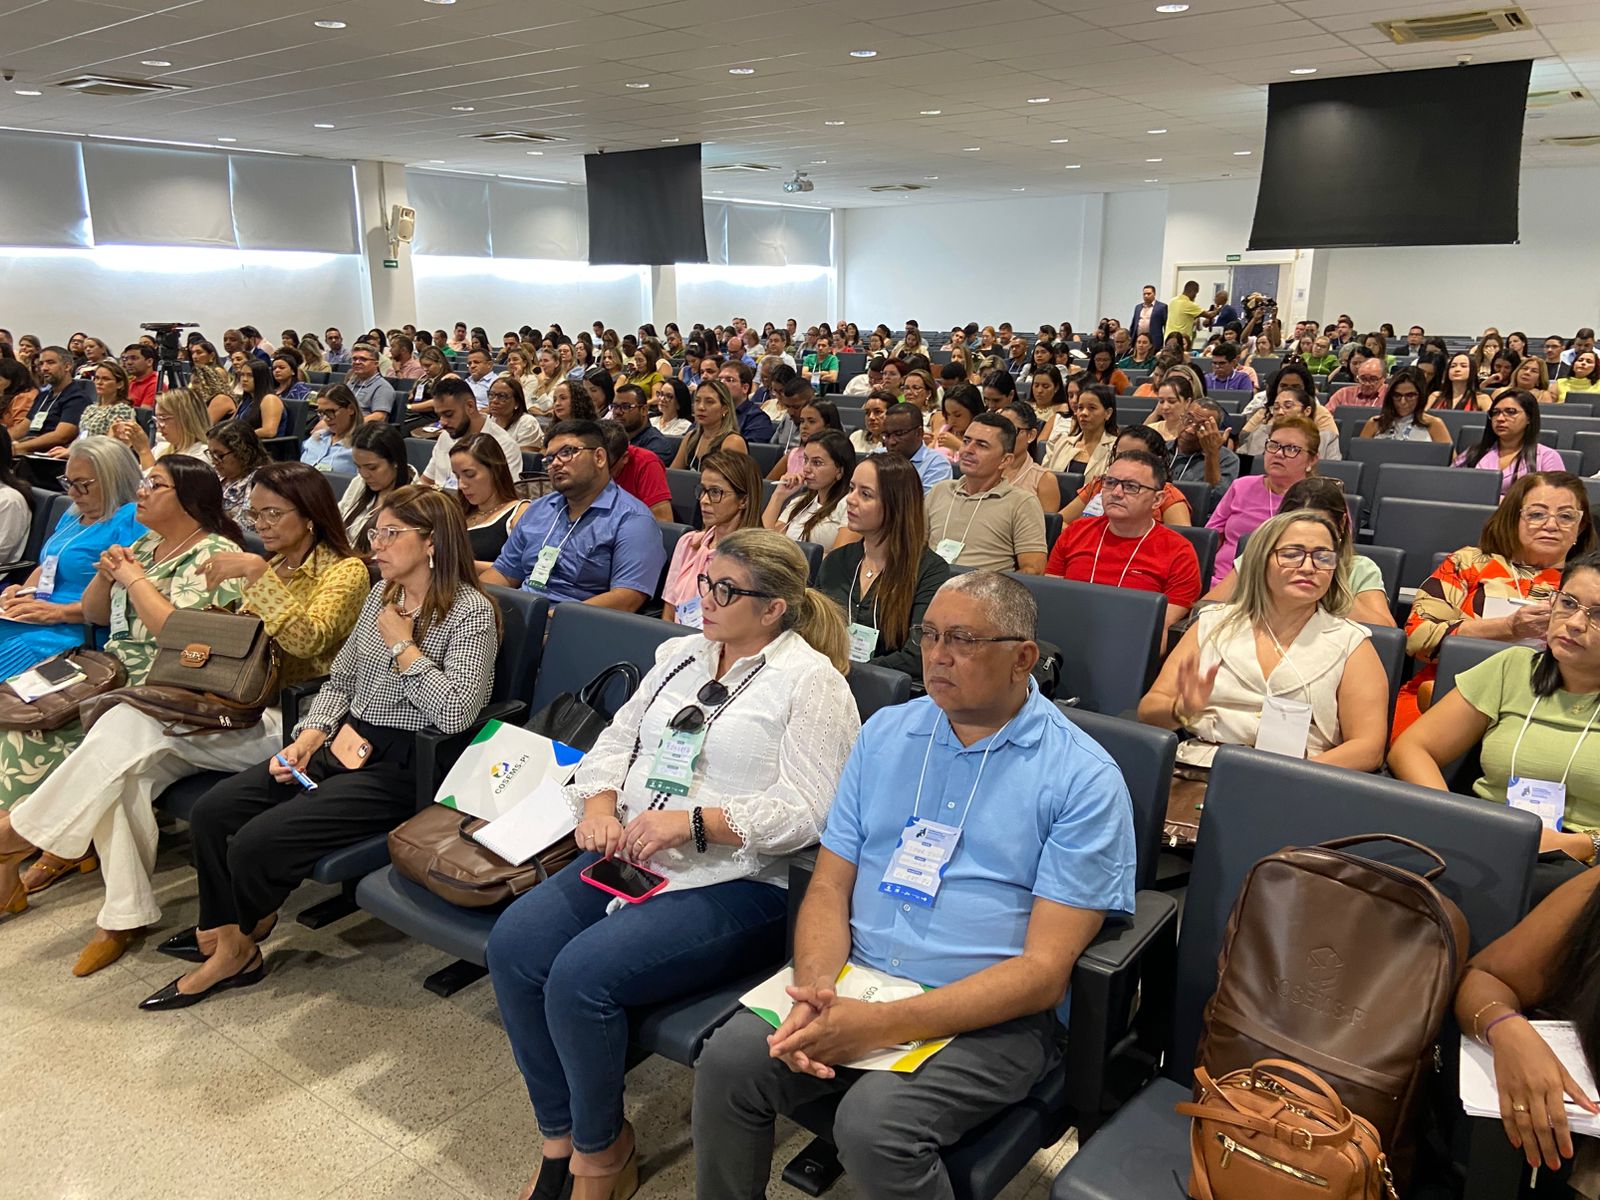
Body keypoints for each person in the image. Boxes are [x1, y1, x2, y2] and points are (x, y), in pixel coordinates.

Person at [694, 569, 1136, 1200]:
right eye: (930, 635)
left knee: (874, 1125)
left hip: (992, 1015)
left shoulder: (1082, 779)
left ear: (1023, 658)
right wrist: (816, 988)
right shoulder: (887, 734)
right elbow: (828, 887)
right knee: (730, 1062)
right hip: (858, 977)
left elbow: (1042, 973)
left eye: (962, 639)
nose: (937, 655)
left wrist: (880, 1025)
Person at [488, 529, 855, 1200]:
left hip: (741, 880)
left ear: (773, 607)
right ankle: (560, 1134)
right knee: (514, 944)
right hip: (636, 855)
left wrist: (694, 821)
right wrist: (598, 804)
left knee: (579, 977)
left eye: (725, 590)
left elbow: (815, 811)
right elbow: (616, 740)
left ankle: (600, 1153)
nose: (704, 598)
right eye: (705, 582)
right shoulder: (680, 655)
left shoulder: (810, 683)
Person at [139, 486, 497, 1009]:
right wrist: (311, 734)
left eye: (391, 534)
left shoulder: (471, 612)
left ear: (432, 543)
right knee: (216, 811)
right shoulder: (382, 595)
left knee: (256, 843)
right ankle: (225, 927)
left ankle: (236, 947)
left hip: (405, 765)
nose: (376, 544)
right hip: (344, 738)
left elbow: (454, 713)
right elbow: (340, 680)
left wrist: (403, 645)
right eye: (374, 532)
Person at [0, 463, 366, 973]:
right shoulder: (266, 562)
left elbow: (307, 641)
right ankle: (123, 916)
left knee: (128, 721)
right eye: (255, 511)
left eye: (273, 513)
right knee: (124, 769)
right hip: (223, 705)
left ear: (310, 517)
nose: (260, 522)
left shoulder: (342, 571)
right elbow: (211, 642)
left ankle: (16, 835)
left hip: (290, 723)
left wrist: (257, 577)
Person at [0, 456, 246, 814]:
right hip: (107, 665)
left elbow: (181, 637)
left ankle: (27, 839)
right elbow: (95, 613)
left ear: (189, 499)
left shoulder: (216, 554)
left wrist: (133, 579)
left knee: (32, 733)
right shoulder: (147, 545)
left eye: (155, 485)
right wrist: (105, 576)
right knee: (17, 709)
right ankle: (32, 837)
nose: (141, 493)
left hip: (163, 678)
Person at [1394, 555, 1600, 895]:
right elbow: (1412, 748)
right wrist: (1454, 817)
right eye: (1568, 603)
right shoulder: (1513, 668)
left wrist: (1585, 843)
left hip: (1581, 869)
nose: (1575, 622)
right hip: (1485, 843)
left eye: (1597, 615)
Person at [1140, 509, 1388, 771]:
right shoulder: (1213, 625)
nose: (1308, 567)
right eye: (1292, 555)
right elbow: (1149, 711)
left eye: (1323, 557)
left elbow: (1368, 748)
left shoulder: (1352, 643)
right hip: (1201, 767)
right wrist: (1181, 709)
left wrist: (1279, 778)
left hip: (1301, 776)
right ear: (1260, 560)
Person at [1396, 471, 1598, 738]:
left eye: (1566, 516)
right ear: (1513, 517)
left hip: (1546, 704)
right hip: (1443, 690)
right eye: (1537, 514)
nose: (1552, 525)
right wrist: (1507, 628)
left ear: (1580, 527)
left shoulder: (1588, 585)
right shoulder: (1468, 563)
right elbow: (1417, 637)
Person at [0, 437, 144, 680]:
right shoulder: (74, 513)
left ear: (113, 480)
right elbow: (49, 564)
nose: (72, 492)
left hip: (79, 628)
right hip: (40, 615)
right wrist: (23, 592)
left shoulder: (131, 520)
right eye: (68, 481)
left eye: (82, 484)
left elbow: (126, 602)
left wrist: (58, 612)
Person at [482, 419, 665, 610]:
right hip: (519, 616)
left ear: (599, 457)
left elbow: (627, 598)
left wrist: (556, 619)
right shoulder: (538, 509)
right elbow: (503, 573)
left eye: (567, 452)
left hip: (575, 627)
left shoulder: (633, 520)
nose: (555, 464)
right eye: (549, 459)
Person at [816, 454, 949, 680]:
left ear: (897, 504)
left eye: (865, 494)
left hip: (883, 693)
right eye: (851, 488)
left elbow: (919, 654)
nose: (850, 499)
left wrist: (851, 670)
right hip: (822, 682)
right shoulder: (836, 561)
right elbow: (811, 631)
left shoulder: (929, 571)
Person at [1047, 447, 1201, 637]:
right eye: (1110, 482)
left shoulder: (1179, 552)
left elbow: (1160, 631)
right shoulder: (1076, 532)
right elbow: (1051, 600)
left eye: (1131, 486)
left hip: (1129, 643)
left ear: (1157, 499)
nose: (1117, 492)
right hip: (1063, 636)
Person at [1203, 475, 1394, 625]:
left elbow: (1385, 631)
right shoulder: (1260, 558)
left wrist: (1331, 586)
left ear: (1341, 524)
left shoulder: (1360, 568)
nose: (1308, 536)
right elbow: (1207, 607)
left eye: (1322, 527)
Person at [925, 412, 1047, 573]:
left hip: (984, 593)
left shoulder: (1021, 503)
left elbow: (1033, 570)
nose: (968, 449)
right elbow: (913, 548)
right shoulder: (940, 490)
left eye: (981, 445)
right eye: (966, 441)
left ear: (1005, 460)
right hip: (928, 588)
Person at [1205, 414, 1319, 585]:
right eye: (1273, 445)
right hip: (1217, 583)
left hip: (1276, 591)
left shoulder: (1322, 500)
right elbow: (1210, 539)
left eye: (1291, 449)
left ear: (1312, 460)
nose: (1279, 454)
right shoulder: (1241, 486)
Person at [660, 450, 765, 627]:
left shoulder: (756, 558)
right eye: (703, 490)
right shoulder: (688, 544)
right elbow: (668, 614)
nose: (704, 500)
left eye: (716, 492)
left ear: (743, 501)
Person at [420, 378, 523, 489]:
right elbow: (426, 480)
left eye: (449, 414)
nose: (443, 423)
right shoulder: (446, 436)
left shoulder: (504, 444)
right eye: (439, 416)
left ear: (470, 406)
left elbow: (506, 497)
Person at [1456, 391, 1564, 496]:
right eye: (1495, 412)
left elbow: (1556, 498)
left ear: (1529, 418)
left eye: (1511, 412)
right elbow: (1452, 484)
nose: (1500, 418)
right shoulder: (1474, 452)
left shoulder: (1547, 457)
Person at [764, 430, 853, 554]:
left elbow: (838, 561)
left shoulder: (849, 506)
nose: (806, 469)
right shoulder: (799, 502)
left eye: (817, 463)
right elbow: (763, 541)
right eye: (805, 460)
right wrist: (778, 496)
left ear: (839, 470)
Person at [338, 422, 414, 553]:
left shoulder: (415, 499)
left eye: (372, 467)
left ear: (395, 461)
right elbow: (337, 521)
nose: (364, 474)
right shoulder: (359, 483)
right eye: (358, 467)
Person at [15, 345, 90, 458]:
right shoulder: (43, 396)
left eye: (50, 363)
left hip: (49, 457)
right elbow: (23, 427)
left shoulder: (77, 398)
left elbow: (61, 436)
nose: (44, 368)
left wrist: (19, 447)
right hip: (27, 450)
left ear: (67, 366)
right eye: (41, 364)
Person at [596, 419, 672, 522]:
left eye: (606, 468)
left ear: (625, 458)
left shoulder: (647, 463)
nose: (596, 474)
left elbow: (664, 521)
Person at [1042, 383, 1119, 481]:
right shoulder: (1062, 443)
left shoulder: (1115, 448)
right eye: (1080, 408)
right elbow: (1043, 479)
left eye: (1092, 408)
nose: (1084, 413)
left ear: (1108, 413)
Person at [669, 379, 750, 471]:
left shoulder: (733, 442)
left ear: (725, 409)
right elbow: (674, 475)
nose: (701, 407)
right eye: (697, 401)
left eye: (709, 402)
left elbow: (733, 483)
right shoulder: (691, 437)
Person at [1358, 366, 1451, 444]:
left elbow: (1452, 463)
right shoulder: (1375, 424)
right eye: (1397, 395)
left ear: (1421, 396)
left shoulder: (1434, 425)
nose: (1403, 402)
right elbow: (1359, 456)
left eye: (1410, 396)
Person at [207, 419, 271, 533]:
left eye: (219, 455)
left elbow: (247, 528)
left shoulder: (261, 482)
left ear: (242, 452)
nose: (214, 461)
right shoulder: (216, 475)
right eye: (211, 454)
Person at [997, 400, 1061, 514]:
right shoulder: (985, 469)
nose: (1004, 438)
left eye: (1011, 431)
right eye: (1000, 431)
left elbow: (1045, 527)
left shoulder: (1044, 480)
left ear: (1031, 435)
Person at [880, 401, 952, 493]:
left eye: (899, 434)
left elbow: (925, 505)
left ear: (919, 433)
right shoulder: (877, 456)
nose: (891, 442)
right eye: (887, 435)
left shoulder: (937, 464)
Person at [300, 384, 361, 476]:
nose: (325, 418)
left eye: (330, 412)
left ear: (351, 409)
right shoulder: (316, 438)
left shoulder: (360, 446)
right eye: (321, 412)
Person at [719, 360, 775, 444]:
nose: (721, 384)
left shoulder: (757, 419)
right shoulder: (711, 412)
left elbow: (747, 452)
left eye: (730, 380)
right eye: (719, 379)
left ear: (745, 388)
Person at [933, 382, 984, 460]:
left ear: (973, 411)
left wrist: (958, 445)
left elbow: (985, 462)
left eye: (957, 415)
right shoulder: (945, 430)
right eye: (948, 414)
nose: (951, 421)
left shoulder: (985, 435)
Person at [1144, 372, 1194, 443]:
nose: (1165, 407)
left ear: (1187, 402)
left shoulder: (1193, 434)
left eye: (1172, 401)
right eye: (1161, 401)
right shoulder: (1151, 431)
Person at [1131, 283, 1168, 348]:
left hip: (1154, 341)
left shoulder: (1162, 307)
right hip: (1138, 340)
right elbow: (1134, 324)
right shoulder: (1138, 307)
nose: (1146, 296)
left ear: (1154, 294)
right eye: (1144, 294)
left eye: (1149, 294)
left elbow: (1166, 325)